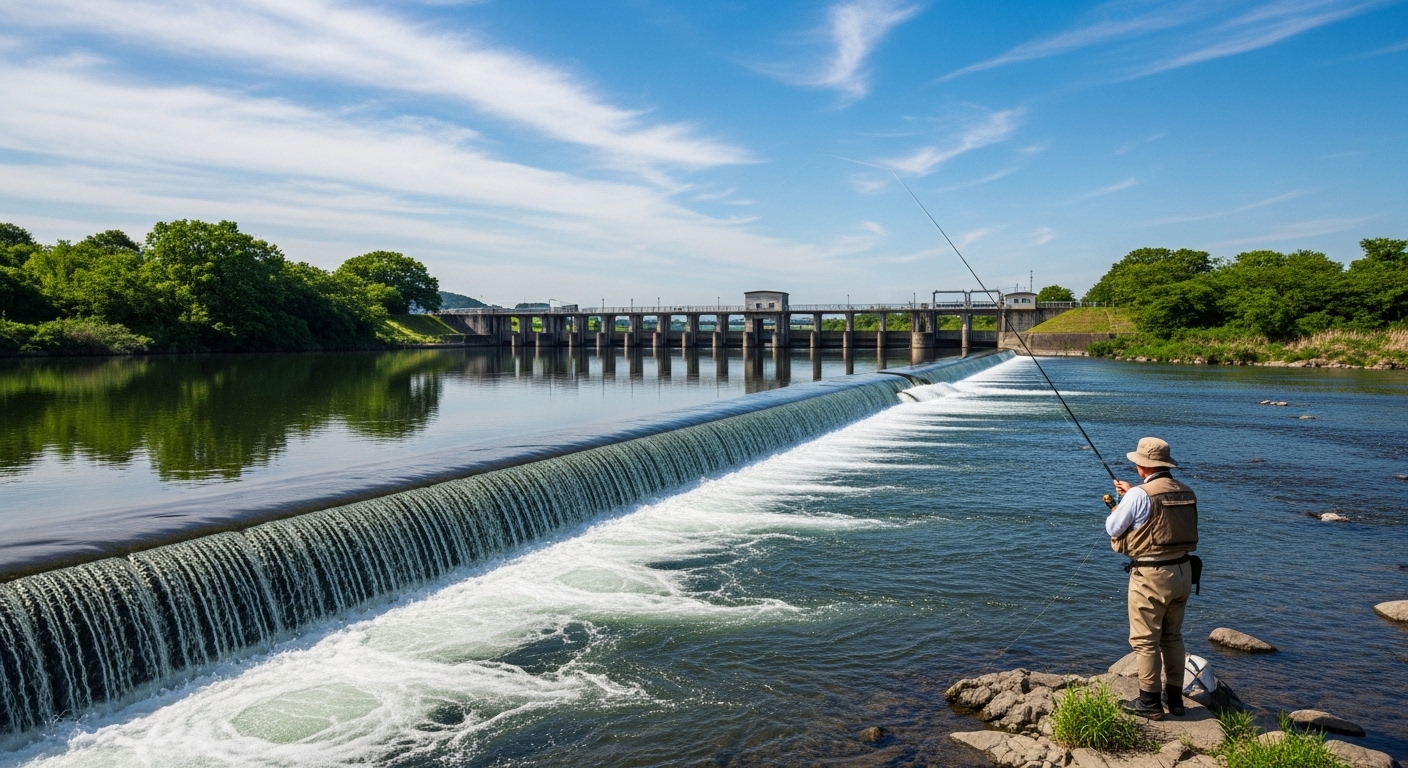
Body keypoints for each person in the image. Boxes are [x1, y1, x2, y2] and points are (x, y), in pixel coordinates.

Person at [1105, 437, 1198, 720]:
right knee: (1172, 636)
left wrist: (1124, 500)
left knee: (1145, 640)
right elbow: (1161, 513)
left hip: (1151, 575)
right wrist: (1134, 493)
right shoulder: (1186, 491)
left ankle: (1149, 703)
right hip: (1184, 573)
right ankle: (1176, 701)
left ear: (1141, 465)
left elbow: (1113, 527)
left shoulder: (1138, 495)